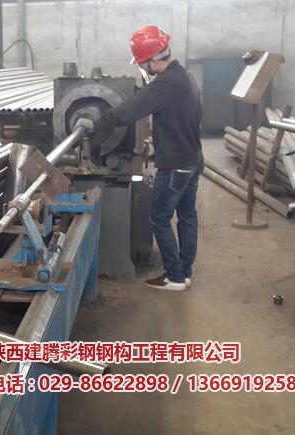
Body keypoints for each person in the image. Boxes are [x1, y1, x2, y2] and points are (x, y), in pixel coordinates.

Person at [77, 25, 203, 291]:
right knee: (187, 216)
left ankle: (174, 277)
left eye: (143, 62)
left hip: (175, 165)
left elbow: (130, 109)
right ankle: (185, 273)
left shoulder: (164, 85)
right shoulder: (185, 76)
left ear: (152, 59)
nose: (143, 67)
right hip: (193, 158)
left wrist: (96, 124)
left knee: (159, 218)